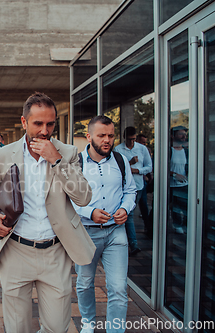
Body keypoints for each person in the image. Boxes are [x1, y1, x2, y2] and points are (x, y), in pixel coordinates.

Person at [0, 92, 95, 333]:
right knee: (17, 327)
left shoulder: (69, 152)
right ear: (24, 122)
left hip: (55, 253)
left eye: (50, 123)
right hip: (15, 251)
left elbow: (83, 197)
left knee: (57, 327)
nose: (45, 130)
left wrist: (56, 161)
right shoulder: (3, 154)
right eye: (38, 123)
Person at [74, 115, 136, 333]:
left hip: (115, 233)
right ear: (89, 136)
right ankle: (88, 323)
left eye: (110, 135)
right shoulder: (76, 163)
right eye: (102, 135)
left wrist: (125, 209)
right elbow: (64, 199)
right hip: (85, 234)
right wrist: (89, 212)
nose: (107, 140)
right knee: (84, 284)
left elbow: (130, 191)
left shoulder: (121, 161)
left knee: (118, 288)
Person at [114, 126, 152, 254]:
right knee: (129, 214)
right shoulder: (118, 150)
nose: (131, 142)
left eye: (134, 139)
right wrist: (129, 163)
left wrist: (137, 170)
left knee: (141, 210)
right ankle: (132, 243)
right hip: (123, 186)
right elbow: (116, 168)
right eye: (129, 139)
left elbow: (149, 166)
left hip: (139, 185)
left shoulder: (142, 149)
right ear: (125, 138)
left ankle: (145, 233)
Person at [169, 125, 188, 234]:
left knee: (186, 207)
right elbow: (161, 168)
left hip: (184, 185)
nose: (183, 136)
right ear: (173, 136)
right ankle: (176, 224)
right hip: (172, 185)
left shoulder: (186, 151)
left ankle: (185, 226)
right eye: (181, 134)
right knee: (174, 207)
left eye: (184, 134)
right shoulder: (169, 151)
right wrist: (175, 175)